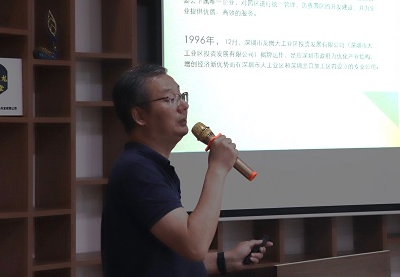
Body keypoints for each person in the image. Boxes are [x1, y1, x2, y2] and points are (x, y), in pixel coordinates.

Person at [101, 64, 272, 276]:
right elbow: (194, 245)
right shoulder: (136, 169)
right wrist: (218, 168)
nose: (183, 106)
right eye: (169, 99)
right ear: (140, 116)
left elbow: (166, 259)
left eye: (181, 96)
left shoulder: (149, 165)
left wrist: (227, 260)